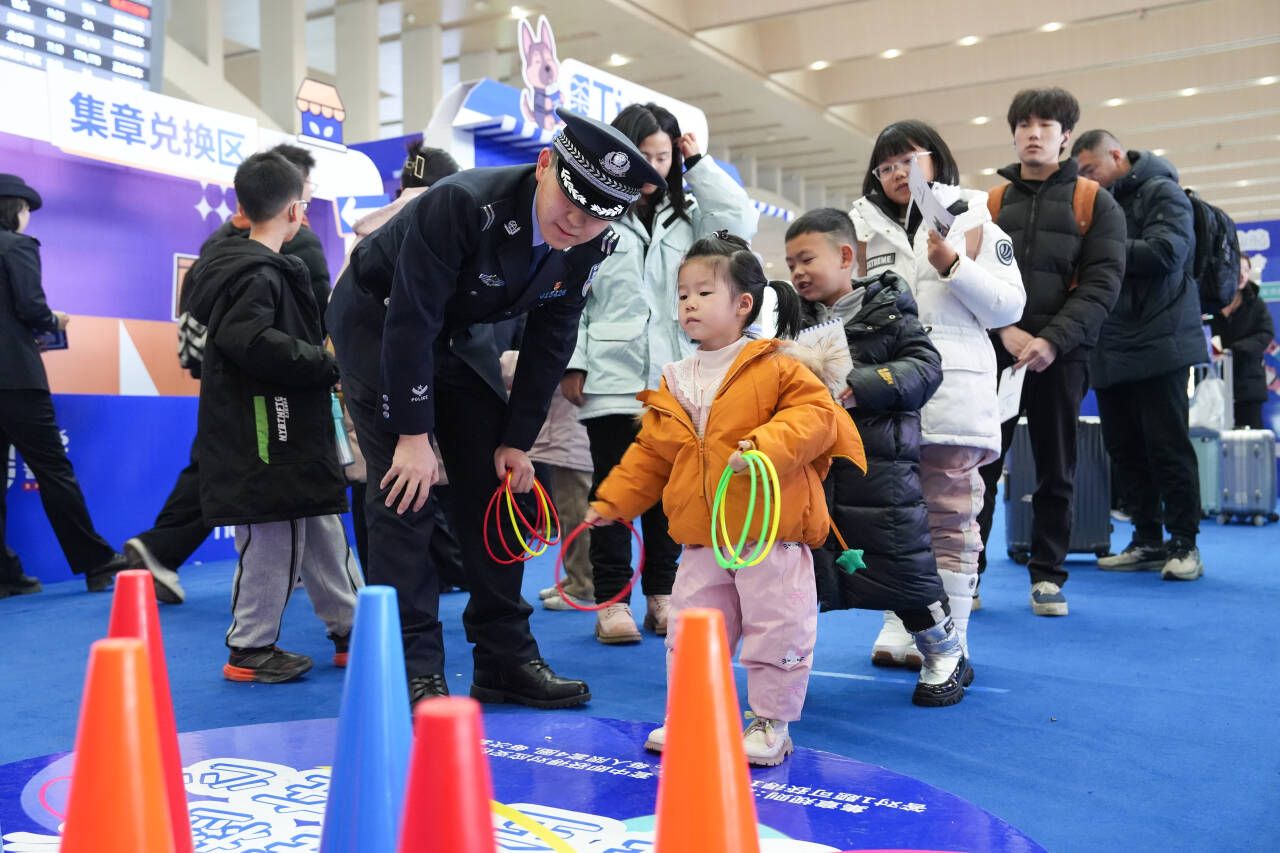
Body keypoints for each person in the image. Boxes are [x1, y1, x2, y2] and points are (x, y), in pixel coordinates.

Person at [326, 108, 663, 708]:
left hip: (460, 331)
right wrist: (412, 437)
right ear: (544, 165)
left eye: (597, 215)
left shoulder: (590, 241)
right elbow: (411, 320)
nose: (577, 222)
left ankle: (504, 659)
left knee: (496, 487)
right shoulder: (460, 203)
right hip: (380, 321)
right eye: (571, 202)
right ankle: (411, 666)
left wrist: (517, 441)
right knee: (406, 492)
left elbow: (552, 339)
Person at [585, 232, 865, 765]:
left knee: (776, 627)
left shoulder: (778, 365)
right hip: (702, 537)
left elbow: (817, 418)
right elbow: (650, 453)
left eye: (704, 292)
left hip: (770, 535)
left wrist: (762, 446)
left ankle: (771, 722)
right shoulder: (676, 378)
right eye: (682, 294)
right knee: (692, 629)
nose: (689, 303)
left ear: (743, 304)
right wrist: (613, 502)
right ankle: (694, 715)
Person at [562, 103, 758, 643]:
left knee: (673, 494)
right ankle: (611, 601)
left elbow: (740, 222)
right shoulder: (596, 215)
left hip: (677, 380)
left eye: (663, 156)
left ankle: (661, 595)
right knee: (614, 491)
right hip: (611, 376)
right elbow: (573, 296)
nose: (653, 167)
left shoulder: (692, 217)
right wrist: (574, 361)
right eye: (642, 155)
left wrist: (701, 164)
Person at [124, 143, 336, 604]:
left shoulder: (219, 245)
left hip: (225, 379)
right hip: (283, 390)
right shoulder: (293, 246)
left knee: (222, 462)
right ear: (295, 201)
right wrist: (326, 366)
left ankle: (163, 547)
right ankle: (309, 617)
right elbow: (312, 320)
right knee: (286, 489)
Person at [848, 122, 1025, 664]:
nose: (897, 173)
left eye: (907, 160)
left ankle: (952, 633)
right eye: (885, 166)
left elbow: (1010, 306)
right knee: (889, 517)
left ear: (936, 159)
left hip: (954, 395)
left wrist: (954, 265)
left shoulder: (975, 219)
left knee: (950, 516)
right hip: (886, 398)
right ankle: (901, 623)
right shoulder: (863, 231)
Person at [184, 152, 362, 683]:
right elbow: (253, 340)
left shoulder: (258, 268)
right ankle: (251, 646)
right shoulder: (257, 272)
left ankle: (353, 629)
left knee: (321, 525)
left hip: (287, 427)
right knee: (272, 536)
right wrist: (324, 363)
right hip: (269, 432)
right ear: (294, 210)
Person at [789, 209, 972, 707]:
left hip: (881, 469)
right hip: (815, 470)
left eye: (807, 259)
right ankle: (780, 671)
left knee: (902, 565)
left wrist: (861, 384)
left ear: (846, 255)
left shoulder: (889, 308)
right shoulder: (792, 320)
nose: (798, 272)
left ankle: (944, 652)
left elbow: (925, 367)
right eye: (791, 263)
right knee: (799, 573)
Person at [973, 88, 1126, 616]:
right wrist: (1005, 331)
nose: (1033, 134)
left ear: (1065, 137)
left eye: (1045, 125)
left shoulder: (1094, 202)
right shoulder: (989, 204)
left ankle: (1047, 575)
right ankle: (967, 573)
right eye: (1024, 125)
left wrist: (1052, 340)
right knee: (979, 466)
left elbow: (1102, 284)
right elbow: (968, 279)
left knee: (1056, 467)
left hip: (1063, 356)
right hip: (997, 353)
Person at [1071, 130, 1209, 580]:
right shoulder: (1093, 203)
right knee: (1124, 450)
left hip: (1160, 340)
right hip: (1110, 343)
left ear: (1116, 155)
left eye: (1090, 169)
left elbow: (1168, 252)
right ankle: (1147, 538)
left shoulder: (1162, 191)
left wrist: (1101, 250)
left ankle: (1184, 543)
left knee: (1168, 446)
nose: (1086, 179)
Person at [341, 141, 466, 588]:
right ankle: (436, 580)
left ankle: (385, 592)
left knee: (378, 483)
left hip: (367, 374)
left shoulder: (365, 232)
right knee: (425, 480)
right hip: (422, 373)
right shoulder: (446, 220)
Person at [0, 173, 128, 597]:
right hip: (16, 378)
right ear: (15, 210)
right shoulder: (17, 246)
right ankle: (95, 561)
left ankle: (4, 573)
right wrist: (53, 320)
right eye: (25, 211)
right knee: (54, 470)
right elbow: (31, 308)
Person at [1211, 256, 1275, 430]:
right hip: (1214, 385)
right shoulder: (1211, 302)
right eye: (1238, 269)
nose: (1242, 275)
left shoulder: (1256, 304)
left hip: (1248, 384)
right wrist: (1215, 351)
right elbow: (1204, 332)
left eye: (1246, 270)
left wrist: (1235, 350)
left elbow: (1266, 333)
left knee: (1250, 436)